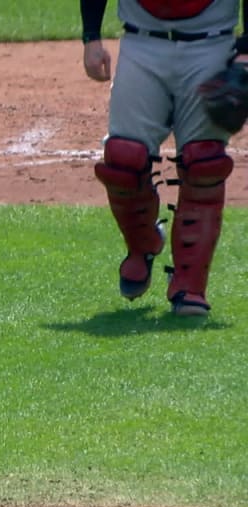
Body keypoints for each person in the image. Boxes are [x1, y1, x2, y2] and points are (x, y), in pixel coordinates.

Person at [80, 0, 245, 315]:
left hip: (211, 45)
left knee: (204, 163)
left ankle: (190, 284)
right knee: (123, 160)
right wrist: (91, 36)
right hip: (141, 44)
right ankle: (142, 242)